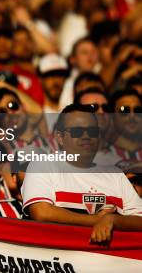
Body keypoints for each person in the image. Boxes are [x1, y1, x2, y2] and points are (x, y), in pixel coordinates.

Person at [22, 104, 142, 244]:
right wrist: (97, 220)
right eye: (77, 131)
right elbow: (42, 213)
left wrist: (113, 220)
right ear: (60, 137)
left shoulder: (115, 174)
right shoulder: (43, 165)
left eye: (92, 131)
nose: (86, 136)